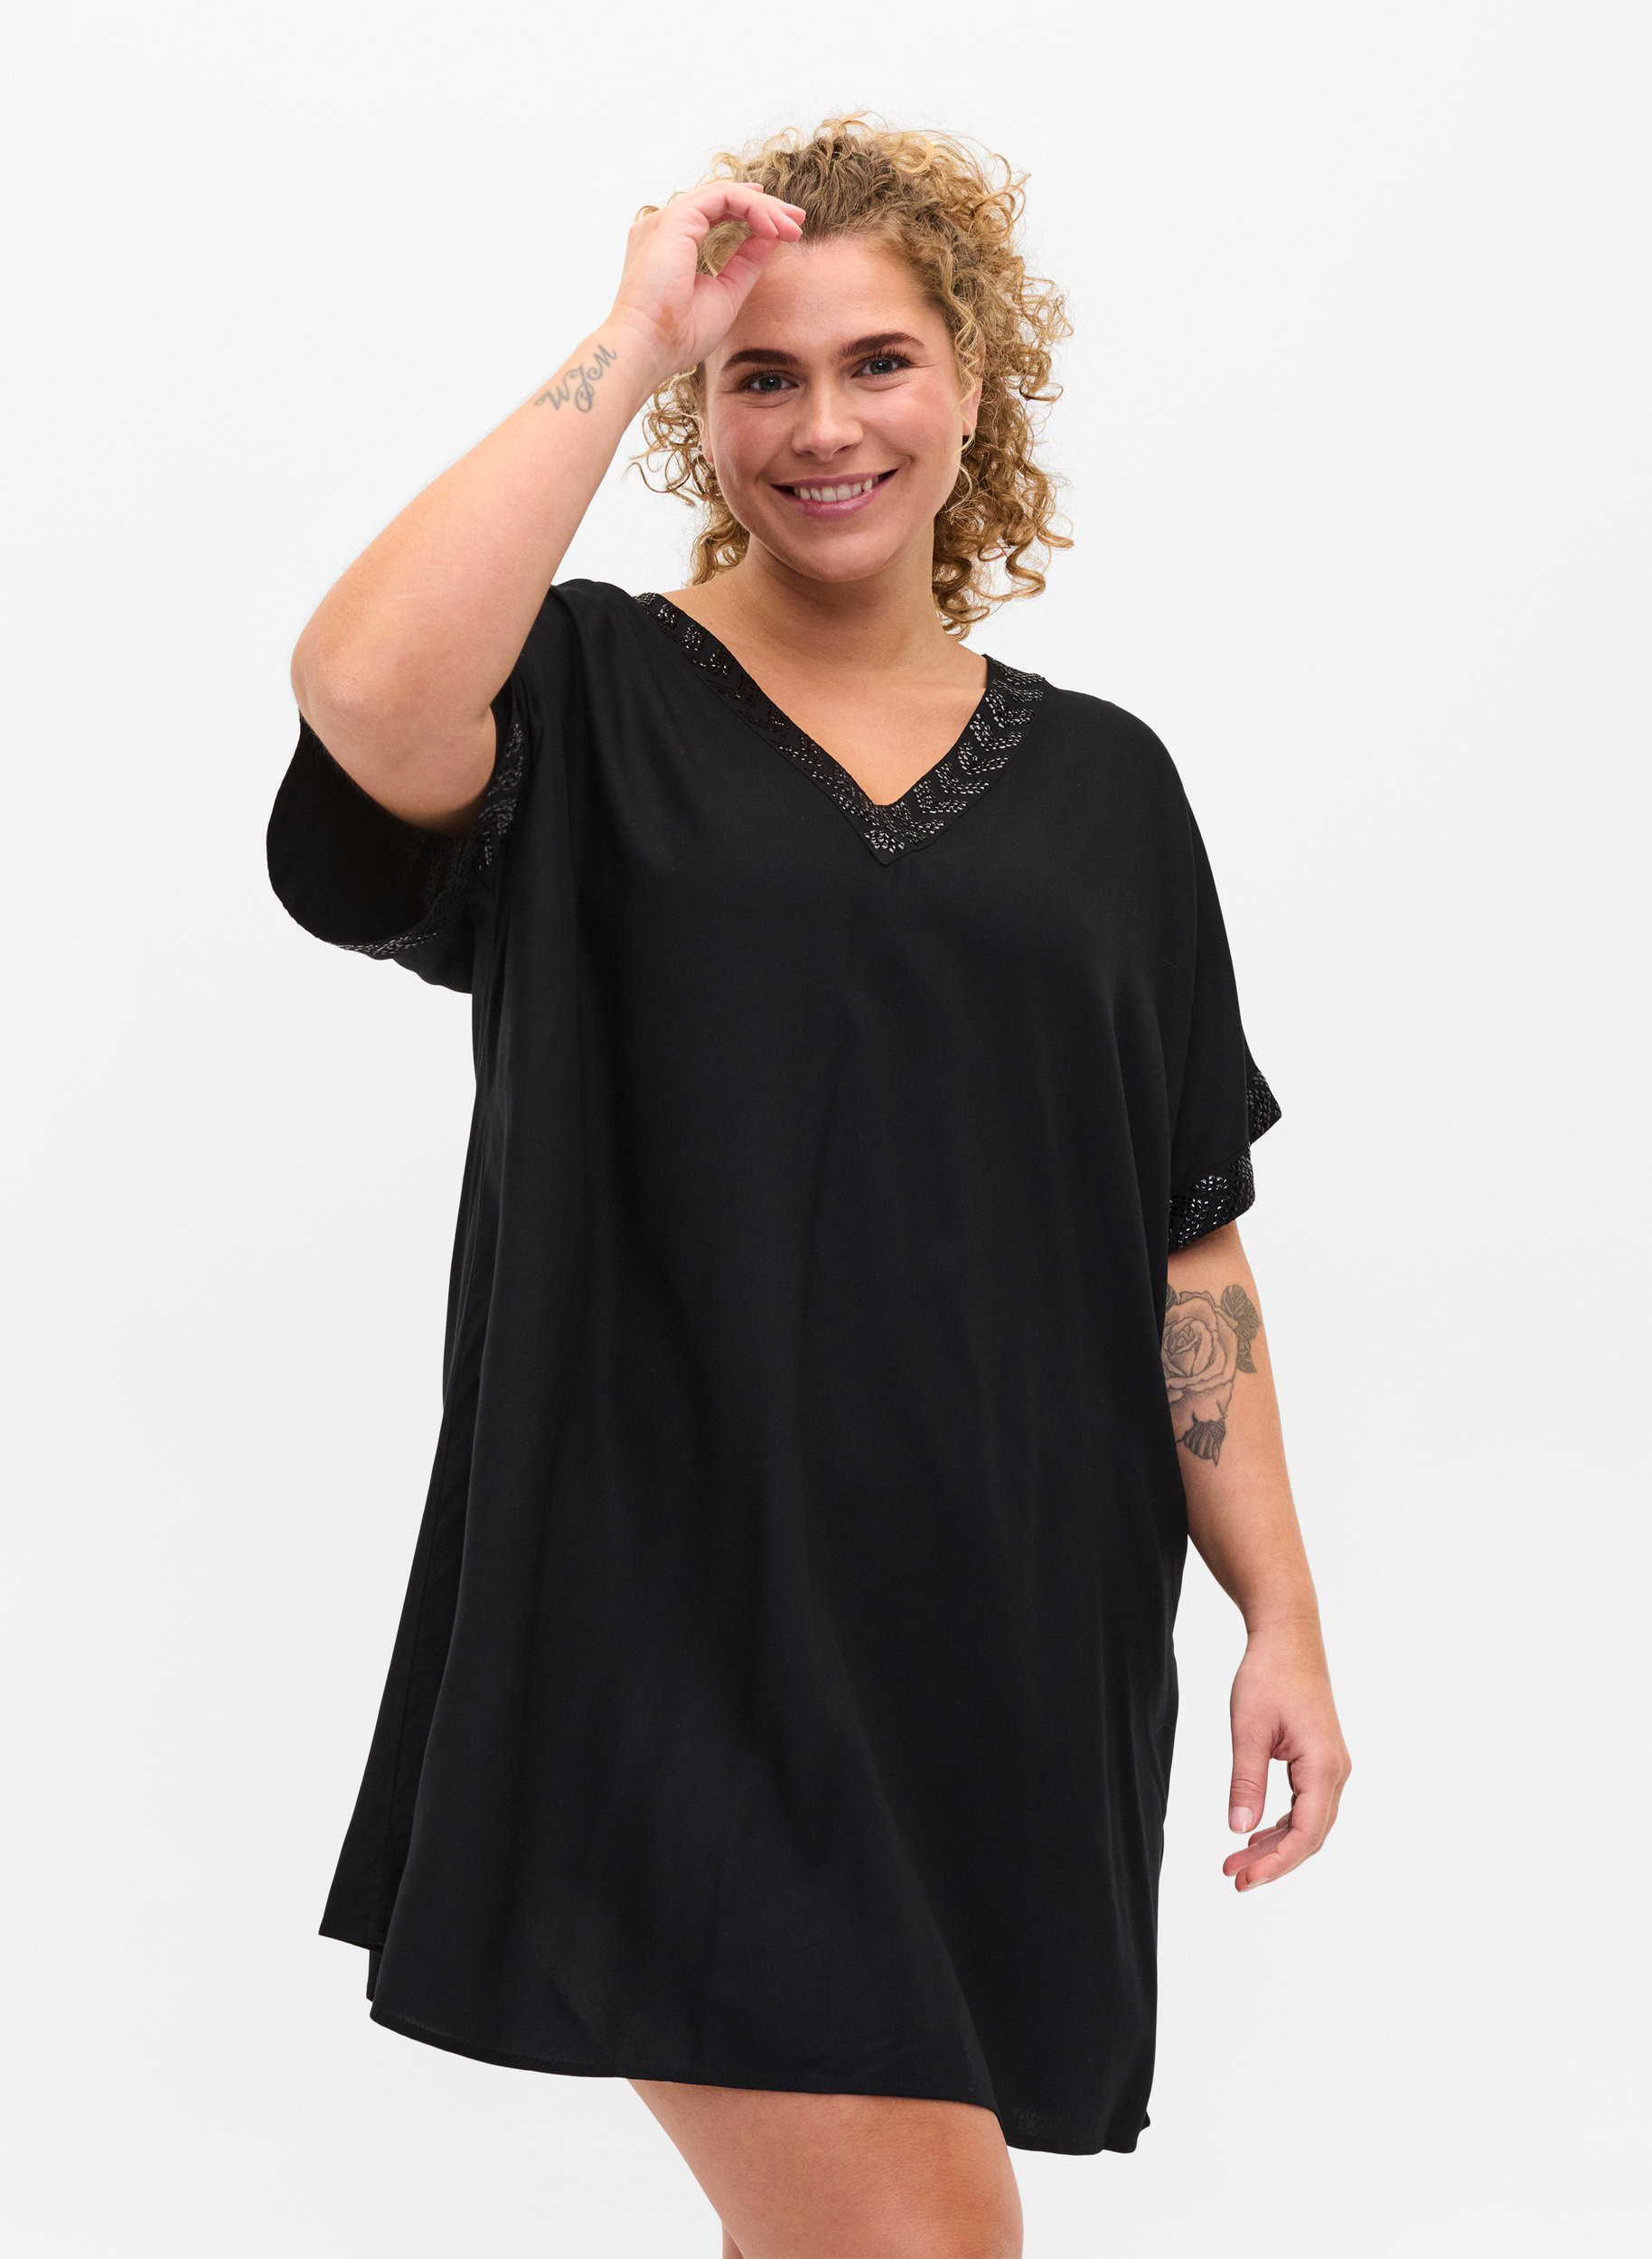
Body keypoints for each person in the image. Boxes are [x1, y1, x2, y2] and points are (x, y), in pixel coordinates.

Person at [268, 115, 1351, 2259]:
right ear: (704, 411)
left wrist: (1282, 1616)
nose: (824, 425)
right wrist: (628, 332)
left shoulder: (1110, 790)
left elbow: (1183, 1240)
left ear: (973, 383)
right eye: (759, 375)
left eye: (878, 363)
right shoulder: (581, 701)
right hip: (667, 1616)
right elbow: (364, 692)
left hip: (998, 1637)